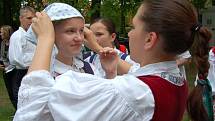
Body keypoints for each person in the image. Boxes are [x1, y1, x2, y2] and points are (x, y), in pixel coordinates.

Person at [14, 1, 212, 121]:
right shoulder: (174, 78)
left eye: (133, 27)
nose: (129, 33)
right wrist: (107, 66)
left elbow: (34, 106)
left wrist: (45, 39)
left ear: (150, 39)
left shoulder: (137, 92)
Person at [25, 3, 101, 78]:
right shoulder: (43, 74)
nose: (80, 38)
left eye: (81, 31)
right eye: (70, 31)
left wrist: (110, 71)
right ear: (51, 33)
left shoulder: (89, 69)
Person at [8, 6, 36, 109]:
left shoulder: (34, 36)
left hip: (33, 72)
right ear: (21, 18)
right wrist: (35, 62)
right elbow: (16, 59)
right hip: (22, 74)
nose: (31, 21)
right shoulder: (17, 36)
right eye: (29, 18)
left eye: (33, 18)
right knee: (23, 104)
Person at [0, 25, 15, 108]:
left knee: (15, 90)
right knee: (10, 91)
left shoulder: (13, 42)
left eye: (1, 32)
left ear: (6, 32)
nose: (0, 33)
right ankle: (15, 109)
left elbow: (14, 57)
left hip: (14, 70)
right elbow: (2, 56)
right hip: (6, 70)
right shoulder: (2, 43)